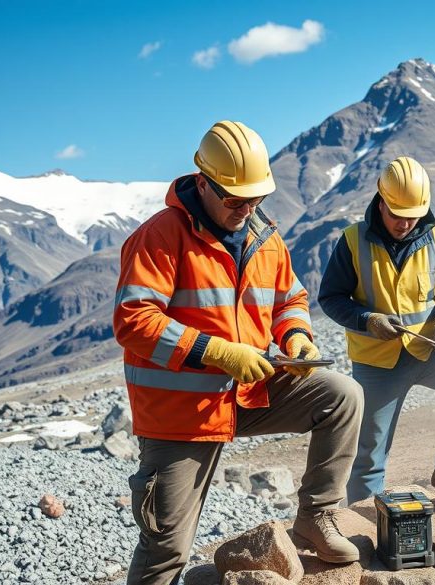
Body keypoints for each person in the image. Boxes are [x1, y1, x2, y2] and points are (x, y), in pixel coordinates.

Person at [113, 120, 364, 585]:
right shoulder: (161, 236)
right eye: (235, 199)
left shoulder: (263, 237)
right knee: (166, 547)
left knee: (342, 396)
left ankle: (317, 515)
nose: (247, 209)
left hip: (246, 392)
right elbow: (134, 320)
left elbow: (290, 299)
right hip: (180, 414)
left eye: (256, 198)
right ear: (204, 184)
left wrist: (296, 338)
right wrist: (219, 353)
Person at [318, 156, 435, 504]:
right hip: (376, 363)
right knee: (369, 453)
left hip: (429, 349)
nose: (405, 223)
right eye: (397, 214)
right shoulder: (353, 241)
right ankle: (365, 522)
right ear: (380, 202)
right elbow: (331, 298)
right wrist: (366, 319)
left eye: (412, 215)